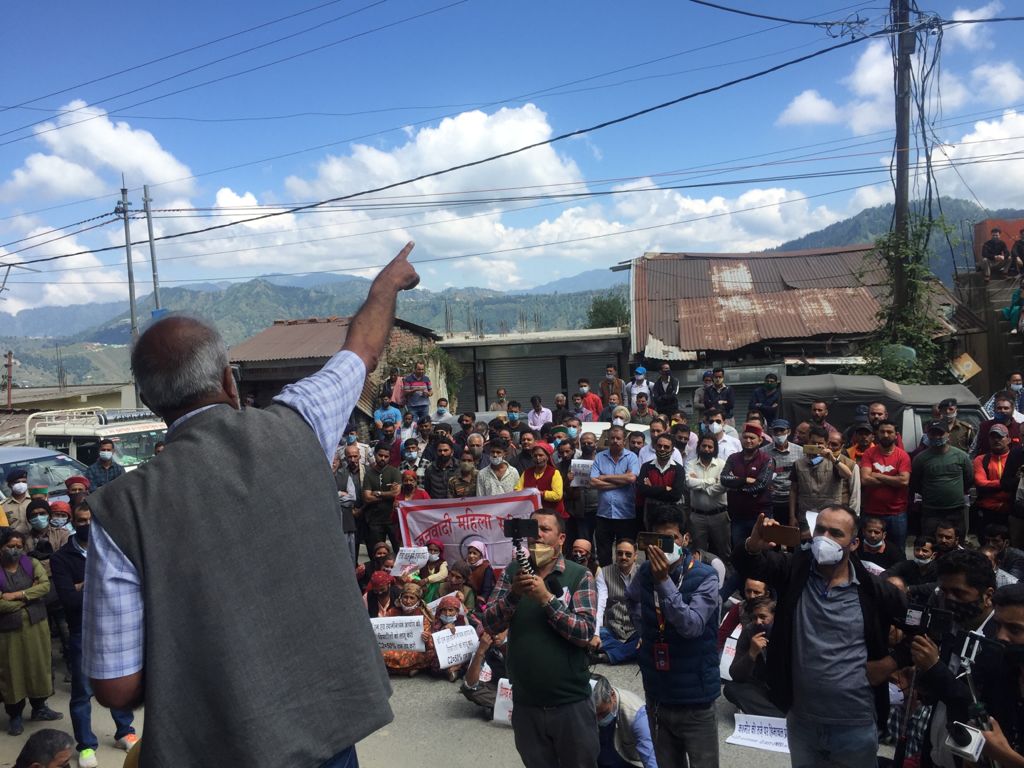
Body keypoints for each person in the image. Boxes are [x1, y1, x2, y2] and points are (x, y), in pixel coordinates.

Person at [82, 242, 419, 768]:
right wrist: (385, 287)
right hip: (328, 737)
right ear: (227, 380)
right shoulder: (301, 424)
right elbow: (361, 351)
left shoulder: (119, 511)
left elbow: (116, 687)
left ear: (150, 403)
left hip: (213, 746)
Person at [735, 506, 908, 766]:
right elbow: (752, 564)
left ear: (854, 543)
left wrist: (891, 663)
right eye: (820, 530)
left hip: (855, 725)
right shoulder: (795, 573)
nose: (824, 538)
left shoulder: (874, 591)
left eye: (836, 533)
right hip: (803, 722)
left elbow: (923, 629)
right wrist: (752, 544)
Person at [480, 509, 599, 768]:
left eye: (545, 530)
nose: (537, 537)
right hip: (526, 704)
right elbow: (489, 623)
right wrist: (513, 596)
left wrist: (546, 599)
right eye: (532, 530)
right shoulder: (513, 572)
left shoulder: (579, 575)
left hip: (570, 704)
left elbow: (584, 633)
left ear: (561, 539)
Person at [625, 504, 720, 767]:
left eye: (672, 539)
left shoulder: (706, 577)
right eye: (658, 539)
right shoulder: (644, 573)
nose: (664, 546)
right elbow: (630, 598)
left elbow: (692, 626)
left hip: (695, 698)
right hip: (658, 694)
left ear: (685, 539)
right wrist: (644, 630)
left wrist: (664, 582)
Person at [50, 501, 136, 766]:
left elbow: (127, 588)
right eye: (80, 521)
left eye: (90, 520)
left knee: (120, 682)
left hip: (115, 629)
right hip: (81, 631)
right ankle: (86, 745)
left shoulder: (113, 549)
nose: (85, 525)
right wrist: (99, 586)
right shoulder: (62, 558)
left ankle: (125, 731)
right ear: (73, 523)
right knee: (82, 692)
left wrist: (83, 586)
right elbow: (69, 601)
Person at [0, 528, 63, 736]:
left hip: (37, 626)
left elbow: (45, 587)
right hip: (9, 632)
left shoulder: (30, 563)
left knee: (38, 666)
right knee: (13, 672)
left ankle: (40, 708)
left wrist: (16, 595)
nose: (15, 550)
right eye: (10, 546)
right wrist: (27, 599)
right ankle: (15, 715)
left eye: (19, 546)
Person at [724, 595, 784, 718]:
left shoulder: (786, 632)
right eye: (754, 617)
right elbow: (735, 674)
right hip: (761, 686)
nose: (758, 622)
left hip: (784, 688)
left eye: (763, 617)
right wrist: (751, 653)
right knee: (730, 689)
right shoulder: (749, 630)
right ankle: (780, 718)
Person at [911, 420, 973, 536]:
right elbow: (915, 483)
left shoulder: (961, 456)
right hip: (931, 510)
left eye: (940, 433)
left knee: (956, 543)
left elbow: (968, 479)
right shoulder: (920, 459)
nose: (937, 437)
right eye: (933, 434)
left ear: (948, 434)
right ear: (927, 435)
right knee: (930, 542)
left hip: (956, 509)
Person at [591, 426, 641, 567]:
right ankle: (606, 580)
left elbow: (631, 478)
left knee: (625, 552)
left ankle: (624, 581)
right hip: (603, 514)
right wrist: (621, 482)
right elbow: (593, 481)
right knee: (603, 554)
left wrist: (605, 477)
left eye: (618, 438)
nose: (615, 441)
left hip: (625, 514)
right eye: (612, 438)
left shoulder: (632, 457)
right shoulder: (600, 457)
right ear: (608, 439)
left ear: (624, 440)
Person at [859, 419, 912, 552]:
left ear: (896, 435)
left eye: (889, 432)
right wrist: (894, 479)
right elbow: (865, 479)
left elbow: (904, 481)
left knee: (897, 550)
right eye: (882, 431)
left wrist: (877, 475)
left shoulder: (903, 456)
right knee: (868, 548)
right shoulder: (869, 453)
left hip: (896, 514)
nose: (886, 435)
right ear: (877, 433)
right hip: (872, 512)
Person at [720, 423, 774, 549]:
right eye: (745, 437)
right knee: (739, 549)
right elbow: (723, 478)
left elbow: (761, 485)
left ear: (760, 440)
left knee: (761, 550)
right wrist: (745, 480)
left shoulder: (767, 460)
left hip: (760, 514)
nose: (748, 441)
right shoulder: (733, 458)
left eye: (752, 438)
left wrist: (736, 486)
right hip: (737, 515)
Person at [788, 425, 851, 530]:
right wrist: (792, 516)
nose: (817, 446)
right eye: (813, 442)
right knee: (804, 545)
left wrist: (832, 459)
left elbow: (848, 474)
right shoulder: (798, 463)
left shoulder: (834, 463)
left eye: (820, 443)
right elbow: (793, 490)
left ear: (827, 444)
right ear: (808, 442)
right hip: (805, 516)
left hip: (830, 516)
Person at [590, 675, 658, 768]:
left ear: (612, 696)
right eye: (594, 715)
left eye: (603, 714)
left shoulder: (636, 715)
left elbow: (651, 759)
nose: (598, 720)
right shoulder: (582, 708)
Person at [593, 538, 640, 666]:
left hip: (635, 630)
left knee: (649, 639)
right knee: (592, 632)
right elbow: (600, 604)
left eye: (628, 554)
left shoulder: (643, 573)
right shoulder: (603, 572)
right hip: (611, 630)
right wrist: (596, 633)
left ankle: (607, 656)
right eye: (619, 553)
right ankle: (626, 651)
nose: (623, 557)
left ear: (635, 556)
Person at [636, 433, 685, 532]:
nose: (662, 449)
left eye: (666, 447)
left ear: (672, 450)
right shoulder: (646, 466)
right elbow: (642, 490)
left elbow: (676, 495)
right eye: (659, 446)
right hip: (650, 514)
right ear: (655, 447)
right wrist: (665, 488)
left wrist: (652, 488)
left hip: (672, 515)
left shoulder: (678, 469)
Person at [460, 629, 509, 719]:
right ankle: (502, 707)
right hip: (500, 687)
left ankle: (502, 707)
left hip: (523, 690)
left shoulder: (520, 640)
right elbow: (470, 684)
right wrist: (480, 651)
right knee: (467, 689)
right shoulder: (486, 643)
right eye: (493, 633)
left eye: (500, 631)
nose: (496, 636)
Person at [362, 443, 402, 552]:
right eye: (380, 455)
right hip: (375, 520)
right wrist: (388, 494)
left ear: (389, 457)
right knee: (377, 551)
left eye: (386, 456)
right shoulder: (369, 474)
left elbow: (396, 493)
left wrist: (379, 493)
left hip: (392, 519)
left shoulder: (394, 472)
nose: (383, 458)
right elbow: (367, 498)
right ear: (375, 455)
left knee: (398, 550)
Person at [717, 577, 768, 651]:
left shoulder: (774, 611)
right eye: (748, 591)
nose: (751, 596)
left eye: (757, 592)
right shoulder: (740, 608)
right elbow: (722, 634)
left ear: (766, 594)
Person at [516, 442, 564, 517]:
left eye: (541, 455)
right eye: (535, 456)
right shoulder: (526, 473)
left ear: (547, 457)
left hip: (552, 515)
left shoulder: (554, 473)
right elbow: (517, 490)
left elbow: (557, 495)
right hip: (531, 515)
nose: (538, 458)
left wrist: (540, 493)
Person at [430, 594, 470, 682]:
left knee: (472, 659)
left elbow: (468, 640)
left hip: (459, 653)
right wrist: (443, 630)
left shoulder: (462, 619)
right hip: (442, 654)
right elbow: (431, 642)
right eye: (444, 610)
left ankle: (456, 670)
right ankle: (451, 672)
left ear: (457, 611)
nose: (447, 614)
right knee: (433, 664)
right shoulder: (436, 621)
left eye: (451, 610)